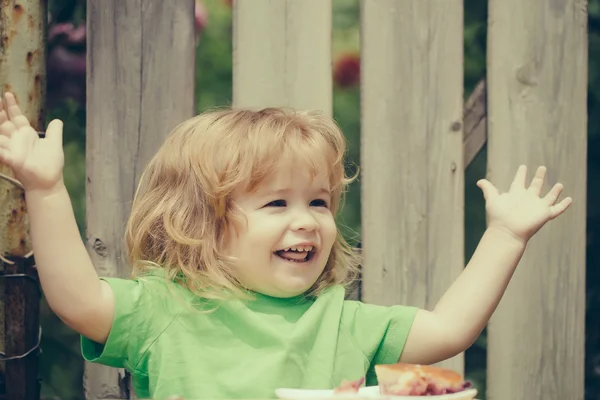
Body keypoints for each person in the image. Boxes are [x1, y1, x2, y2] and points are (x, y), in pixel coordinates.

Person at [0, 92, 572, 399]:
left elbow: (449, 331)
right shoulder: (163, 310)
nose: (307, 222)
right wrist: (46, 189)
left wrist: (505, 235)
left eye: (318, 202)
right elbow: (75, 299)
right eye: (277, 204)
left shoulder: (340, 322)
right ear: (199, 223)